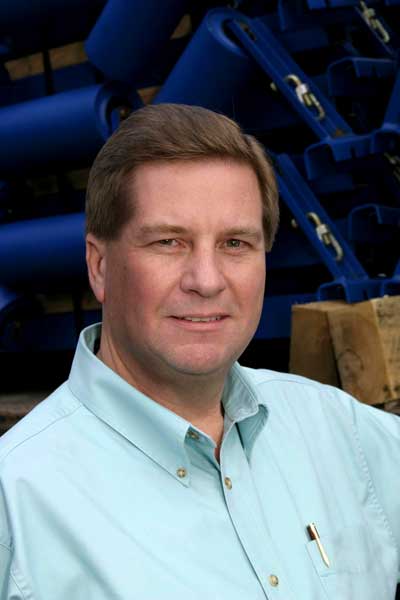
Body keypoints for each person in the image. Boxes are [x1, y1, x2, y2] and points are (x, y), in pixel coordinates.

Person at [0, 103, 399, 600]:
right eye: (170, 242)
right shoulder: (16, 504)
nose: (207, 281)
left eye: (235, 244)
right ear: (99, 267)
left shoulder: (341, 431)